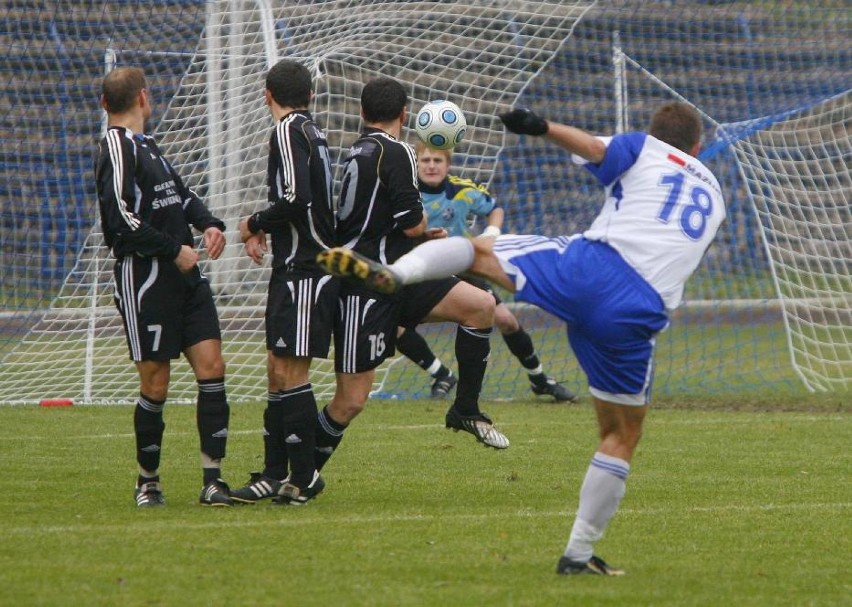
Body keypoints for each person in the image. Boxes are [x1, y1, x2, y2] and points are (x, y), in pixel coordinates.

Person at [318, 102, 726, 574]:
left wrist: (543, 127)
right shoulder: (714, 194)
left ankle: (395, 272)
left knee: (478, 252)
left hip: (591, 268)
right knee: (620, 435)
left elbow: (593, 147)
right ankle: (578, 554)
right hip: (639, 313)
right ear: (697, 147)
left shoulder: (642, 147)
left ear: (656, 133)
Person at [313, 76, 508, 472]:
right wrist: (423, 228)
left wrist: (418, 232)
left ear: (363, 113)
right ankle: (297, 469)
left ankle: (465, 408)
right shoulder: (396, 151)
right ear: (405, 115)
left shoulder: (357, 151)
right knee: (350, 401)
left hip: (399, 272)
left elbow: (393, 221)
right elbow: (413, 222)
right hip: (368, 280)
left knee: (481, 305)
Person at [95, 66, 233, 507]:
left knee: (212, 368)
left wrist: (209, 223)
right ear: (144, 98)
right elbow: (121, 220)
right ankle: (147, 481)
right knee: (156, 383)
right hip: (146, 278)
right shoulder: (116, 146)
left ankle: (213, 480)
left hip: (185, 278)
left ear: (104, 103)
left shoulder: (146, 146)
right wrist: (175, 249)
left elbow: (179, 194)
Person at [230, 59, 338, 506]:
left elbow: (295, 199)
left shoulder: (289, 130)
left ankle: (304, 474)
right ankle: (274, 473)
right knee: (277, 369)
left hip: (306, 271)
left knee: (290, 372)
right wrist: (267, 231)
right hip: (294, 266)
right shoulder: (311, 131)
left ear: (266, 93)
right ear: (310, 95)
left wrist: (252, 222)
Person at [396, 142, 576, 402]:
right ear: (417, 165)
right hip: (424, 272)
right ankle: (441, 374)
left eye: (437, 160)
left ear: (448, 165)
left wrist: (491, 234)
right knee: (394, 325)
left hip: (463, 268)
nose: (431, 166)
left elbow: (495, 209)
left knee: (507, 320)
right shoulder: (408, 194)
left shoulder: (462, 191)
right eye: (425, 161)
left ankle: (539, 378)